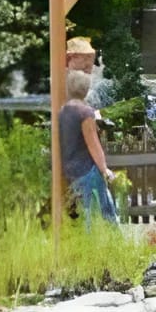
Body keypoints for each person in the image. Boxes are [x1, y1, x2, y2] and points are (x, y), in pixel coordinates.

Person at [59, 68, 119, 223]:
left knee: (76, 215)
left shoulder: (63, 111)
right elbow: (93, 143)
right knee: (99, 216)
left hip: (68, 170)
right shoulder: (85, 112)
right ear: (85, 89)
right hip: (86, 171)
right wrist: (105, 170)